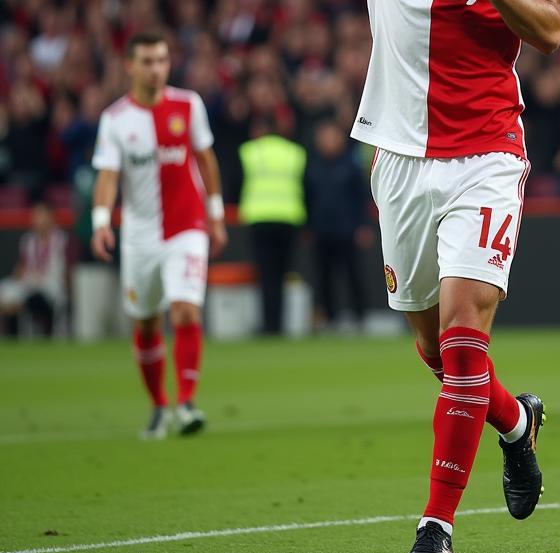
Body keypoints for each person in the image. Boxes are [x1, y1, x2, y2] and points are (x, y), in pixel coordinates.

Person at [261, 0, 560, 553]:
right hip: (397, 159)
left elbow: (549, 32)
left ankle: (436, 525)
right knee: (435, 351)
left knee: (466, 339)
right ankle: (515, 421)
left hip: (486, 154)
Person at [91, 31, 228, 439]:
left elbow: (205, 158)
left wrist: (215, 214)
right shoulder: (115, 119)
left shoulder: (188, 105)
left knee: (185, 309)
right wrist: (101, 221)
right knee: (147, 323)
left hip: (187, 227)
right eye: (147, 62)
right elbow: (109, 176)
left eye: (162, 61)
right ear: (130, 66)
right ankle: (158, 406)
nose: (156, 69)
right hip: (139, 237)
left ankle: (187, 403)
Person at [238, 118, 307, 335]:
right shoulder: (295, 153)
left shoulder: (249, 151)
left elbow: (236, 182)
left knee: (267, 275)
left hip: (260, 218)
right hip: (289, 218)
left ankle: (269, 326)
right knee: (283, 274)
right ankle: (281, 324)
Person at [303, 119, 371, 331]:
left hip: (347, 230)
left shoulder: (351, 166)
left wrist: (363, 226)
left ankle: (360, 316)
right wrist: (308, 226)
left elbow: (361, 199)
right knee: (324, 277)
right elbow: (307, 198)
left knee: (353, 274)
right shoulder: (312, 166)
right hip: (322, 229)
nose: (329, 142)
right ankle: (329, 318)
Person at [0, 201, 69, 338]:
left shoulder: (61, 239)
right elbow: (22, 266)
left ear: (51, 217)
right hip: (30, 280)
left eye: (41, 216)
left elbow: (66, 268)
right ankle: (8, 331)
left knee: (43, 295)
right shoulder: (28, 240)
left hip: (51, 281)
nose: (38, 220)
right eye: (36, 216)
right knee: (5, 288)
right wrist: (16, 278)